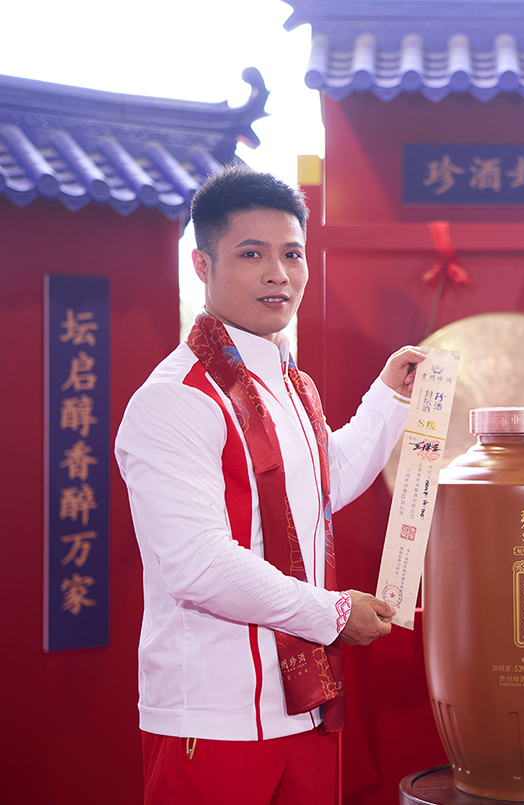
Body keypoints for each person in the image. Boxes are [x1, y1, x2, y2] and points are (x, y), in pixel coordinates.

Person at [115, 163, 424, 805]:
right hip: (214, 715)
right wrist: (333, 613)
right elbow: (198, 566)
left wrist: (391, 399)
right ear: (202, 266)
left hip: (305, 706)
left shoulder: (290, 382)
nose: (278, 274)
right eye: (251, 254)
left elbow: (321, 484)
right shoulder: (176, 398)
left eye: (292, 254)